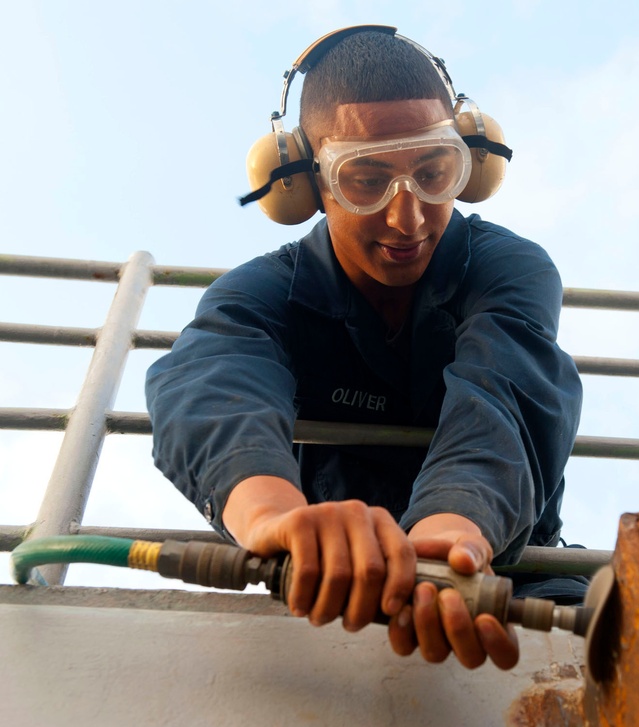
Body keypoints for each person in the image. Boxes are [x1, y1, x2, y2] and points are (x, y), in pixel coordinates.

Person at [145, 26, 584, 670]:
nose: (408, 220)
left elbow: (505, 395)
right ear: (305, 184)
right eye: (366, 181)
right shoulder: (263, 293)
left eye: (434, 173)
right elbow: (213, 381)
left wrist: (450, 540)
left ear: (470, 166)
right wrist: (270, 517)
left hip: (502, 575)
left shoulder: (509, 267)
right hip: (325, 586)